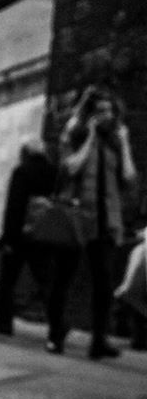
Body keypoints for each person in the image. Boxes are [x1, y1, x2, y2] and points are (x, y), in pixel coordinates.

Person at [57, 85, 137, 359]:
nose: (106, 116)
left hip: (107, 222)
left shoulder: (115, 141)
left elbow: (128, 178)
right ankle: (57, 333)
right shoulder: (76, 136)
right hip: (78, 219)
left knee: (104, 282)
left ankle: (98, 340)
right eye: (100, 111)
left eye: (109, 111)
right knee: (67, 279)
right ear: (89, 113)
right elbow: (70, 168)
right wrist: (90, 138)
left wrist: (125, 142)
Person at [0, 140, 57, 336]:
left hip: (20, 236)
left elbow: (15, 206)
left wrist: (8, 237)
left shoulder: (22, 171)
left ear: (25, 152)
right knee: (46, 280)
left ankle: (4, 323)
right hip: (44, 235)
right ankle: (59, 322)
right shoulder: (54, 172)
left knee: (7, 281)